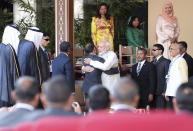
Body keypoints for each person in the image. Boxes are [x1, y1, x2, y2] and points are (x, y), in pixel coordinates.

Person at [0, 25, 20, 107]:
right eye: (17, 36)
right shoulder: (10, 49)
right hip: (8, 85)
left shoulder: (1, 46)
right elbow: (14, 71)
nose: (18, 39)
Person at [165, 43, 188, 109]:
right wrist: (167, 92)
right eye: (169, 49)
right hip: (171, 92)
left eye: (171, 49)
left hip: (177, 93)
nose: (170, 51)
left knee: (177, 114)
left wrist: (183, 92)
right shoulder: (173, 61)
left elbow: (184, 78)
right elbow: (170, 78)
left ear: (178, 50)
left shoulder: (181, 60)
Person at [151, 44, 170, 109]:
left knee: (161, 112)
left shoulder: (166, 62)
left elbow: (167, 77)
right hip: (153, 92)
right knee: (152, 112)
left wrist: (165, 90)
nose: (152, 51)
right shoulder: (151, 62)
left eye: (154, 50)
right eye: (152, 50)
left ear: (160, 51)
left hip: (161, 92)